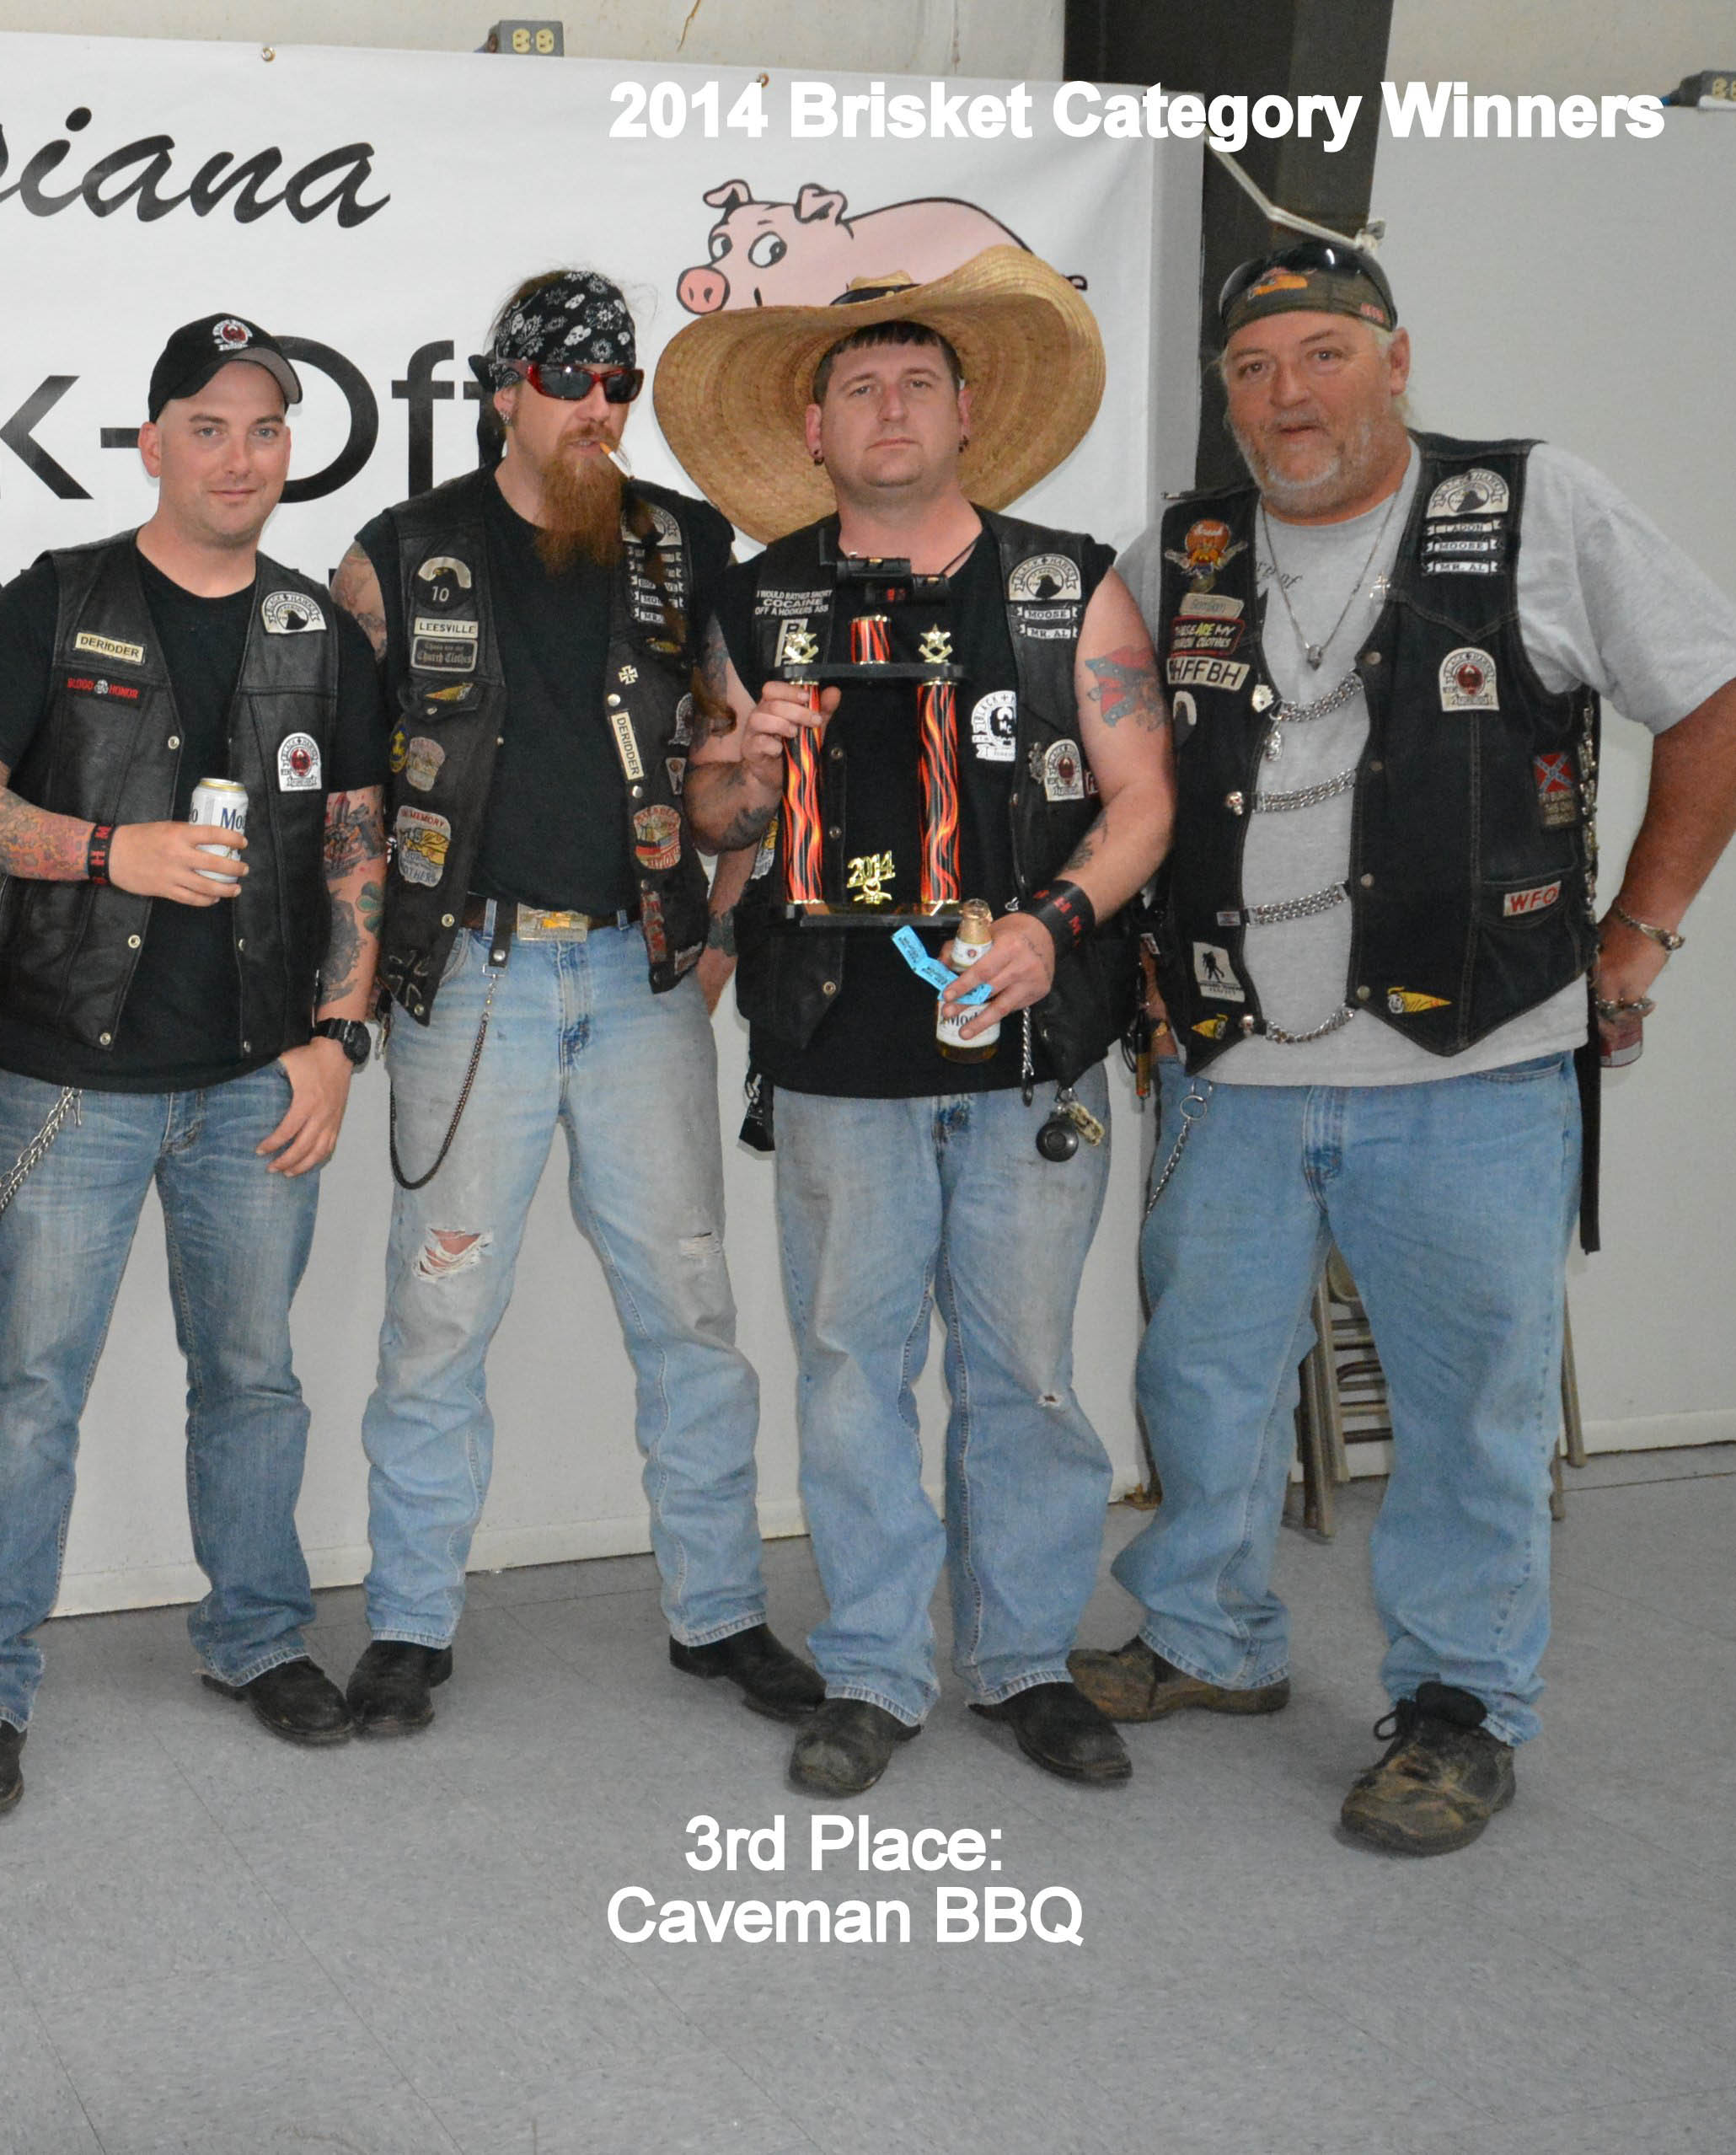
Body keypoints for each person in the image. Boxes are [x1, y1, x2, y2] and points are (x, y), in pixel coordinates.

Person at [1080, 241, 1736, 1854]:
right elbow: (1120, 767)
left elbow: (1712, 695)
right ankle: (1208, 1636)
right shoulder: (1182, 549)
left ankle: (1460, 1707)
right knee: (1200, 1377)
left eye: (1323, 354)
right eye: (1252, 369)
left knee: (1469, 1408)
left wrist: (1641, 932)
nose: (1287, 395)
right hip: (1234, 1069)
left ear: (1395, 358)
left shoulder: (1534, 505)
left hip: (1477, 1070)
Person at [668, 249, 1171, 1798]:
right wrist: (748, 766)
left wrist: (1053, 924)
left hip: (1028, 1045)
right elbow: (711, 819)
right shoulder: (755, 600)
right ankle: (877, 1667)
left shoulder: (1064, 582)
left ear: (968, 416)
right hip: (835, 1054)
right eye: (859, 387)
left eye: (917, 384)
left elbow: (1145, 799)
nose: (890, 408)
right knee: (850, 1369)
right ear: (813, 429)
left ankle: (1025, 1660)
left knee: (1027, 1372)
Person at [325, 270, 819, 1740]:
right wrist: (342, 995)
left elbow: (730, 767)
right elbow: (342, 793)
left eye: (619, 381)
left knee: (692, 1310)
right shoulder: (399, 553)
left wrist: (724, 907)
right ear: (505, 390)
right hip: (469, 974)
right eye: (569, 379)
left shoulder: (682, 543)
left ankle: (720, 1611)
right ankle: (410, 1623)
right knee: (439, 1312)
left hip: (638, 973)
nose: (600, 405)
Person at [0, 316, 389, 1815]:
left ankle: (258, 1638)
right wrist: (109, 849)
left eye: (266, 430)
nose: (239, 457)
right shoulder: (60, 598)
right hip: (73, 1078)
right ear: (152, 443)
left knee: (253, 1379)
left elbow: (363, 846)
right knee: (28, 1389)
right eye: (209, 427)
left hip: (260, 1082)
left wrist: (341, 1038)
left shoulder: (318, 629)